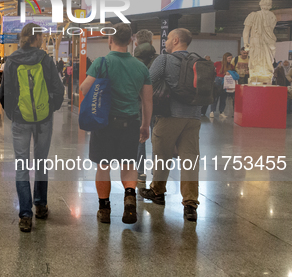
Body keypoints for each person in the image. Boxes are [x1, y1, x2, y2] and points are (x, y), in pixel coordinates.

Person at [80, 22, 152, 225]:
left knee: (103, 166)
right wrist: (145, 125)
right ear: (131, 41)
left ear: (110, 40)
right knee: (129, 164)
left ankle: (104, 209)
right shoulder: (140, 67)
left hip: (104, 123)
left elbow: (85, 89)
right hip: (131, 122)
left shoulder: (101, 62)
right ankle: (129, 196)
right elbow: (147, 100)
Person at [0, 23, 64, 232]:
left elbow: (3, 93)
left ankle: (25, 215)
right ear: (36, 39)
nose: (44, 40)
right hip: (44, 119)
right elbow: (58, 88)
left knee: (22, 165)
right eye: (42, 37)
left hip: (21, 120)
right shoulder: (45, 59)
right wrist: (49, 108)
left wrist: (14, 114)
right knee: (41, 161)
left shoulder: (11, 61)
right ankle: (41, 205)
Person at [139, 28, 202, 222]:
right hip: (194, 116)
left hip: (169, 115)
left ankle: (157, 192)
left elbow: (147, 81)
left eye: (168, 39)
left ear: (175, 40)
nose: (165, 42)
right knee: (190, 159)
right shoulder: (198, 61)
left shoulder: (164, 60)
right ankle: (190, 204)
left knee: (162, 155)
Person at [133, 29, 158, 182]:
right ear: (151, 42)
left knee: (140, 138)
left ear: (136, 43)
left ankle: (140, 171)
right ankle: (157, 171)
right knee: (157, 138)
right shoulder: (159, 59)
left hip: (137, 104)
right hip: (158, 104)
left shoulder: (132, 61)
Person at [243, 0, 277, 84]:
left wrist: (245, 43)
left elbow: (246, 30)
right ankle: (265, 74)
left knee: (257, 57)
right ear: (270, 5)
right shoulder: (272, 16)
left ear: (260, 4)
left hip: (257, 39)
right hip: (268, 40)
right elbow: (271, 30)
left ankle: (257, 74)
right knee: (268, 58)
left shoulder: (253, 15)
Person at [209, 52, 234, 118]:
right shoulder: (218, 63)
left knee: (223, 98)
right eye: (229, 58)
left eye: (231, 58)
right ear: (225, 58)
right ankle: (212, 111)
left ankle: (221, 111)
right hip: (218, 81)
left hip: (226, 82)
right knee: (215, 97)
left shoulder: (231, 66)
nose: (230, 59)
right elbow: (211, 67)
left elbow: (234, 73)